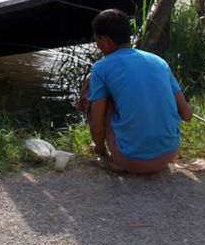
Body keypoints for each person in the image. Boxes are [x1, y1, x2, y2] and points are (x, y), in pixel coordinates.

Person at [77, 9, 192, 174]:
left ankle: (115, 160)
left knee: (94, 88)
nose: (97, 44)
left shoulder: (101, 68)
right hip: (169, 153)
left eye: (96, 40)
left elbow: (97, 125)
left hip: (131, 160)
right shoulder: (159, 62)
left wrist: (101, 152)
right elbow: (187, 115)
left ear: (106, 40)